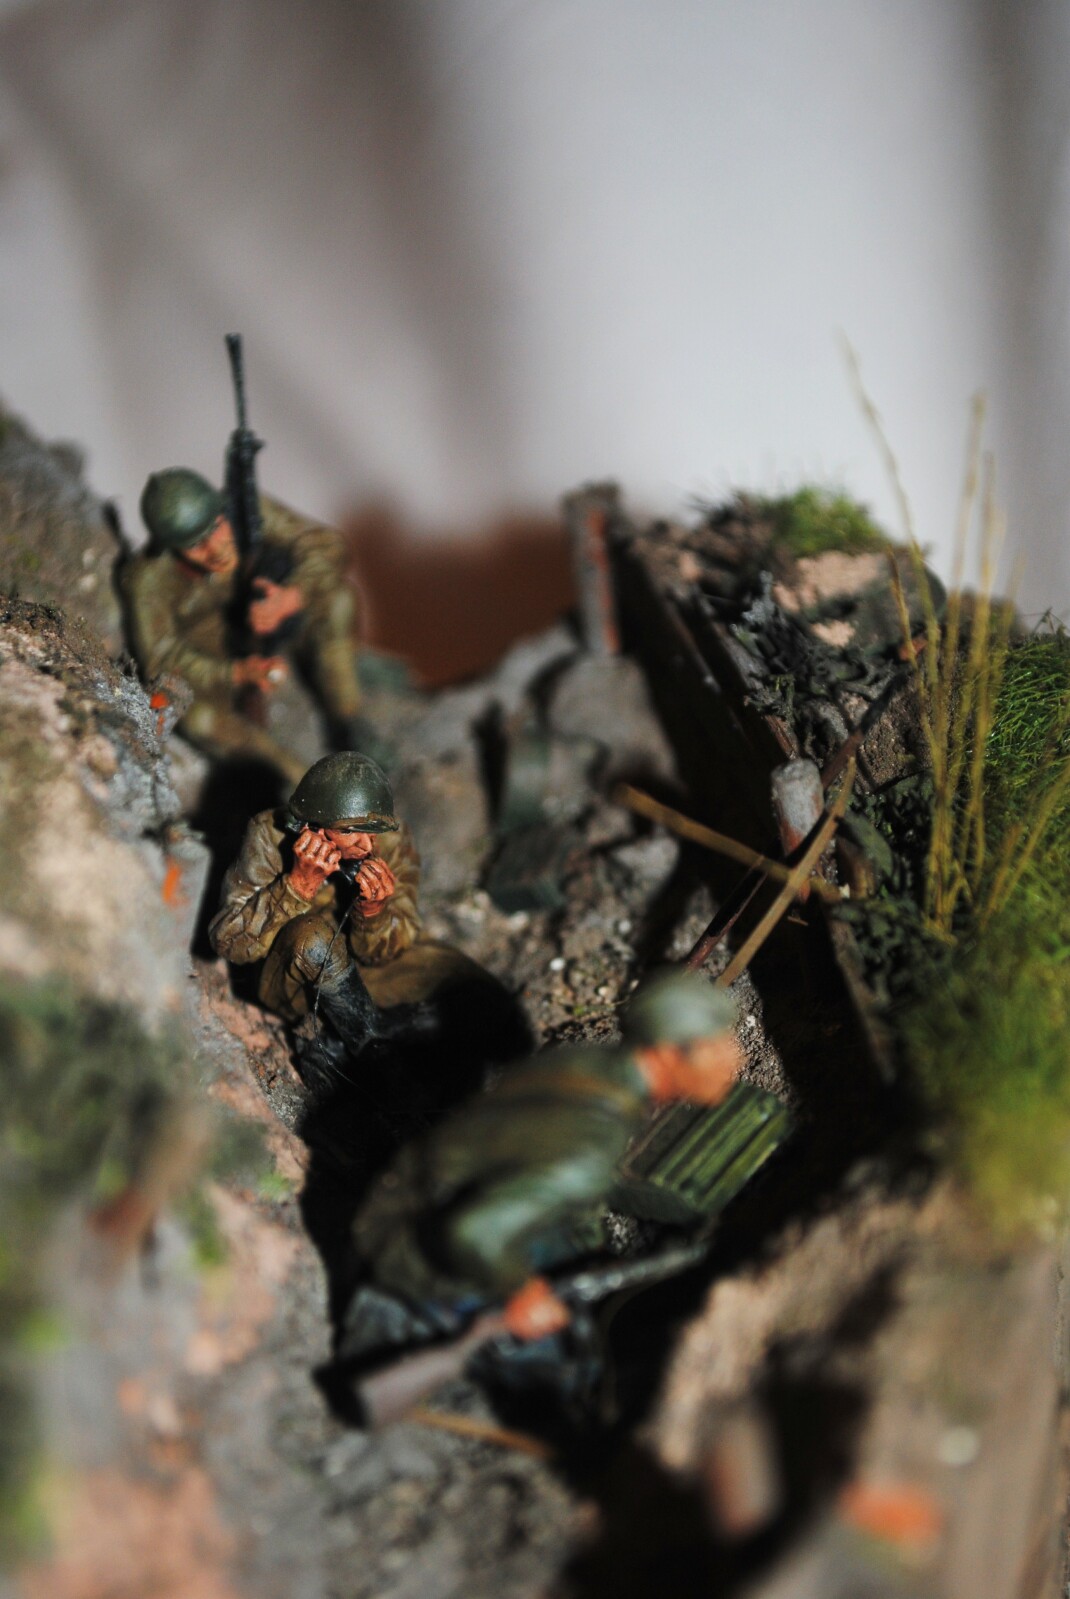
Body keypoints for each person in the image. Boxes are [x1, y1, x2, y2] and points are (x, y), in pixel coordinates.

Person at [345, 969, 741, 1347]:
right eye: (716, 1045)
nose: (733, 1058)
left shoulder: (593, 1066)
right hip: (413, 1247)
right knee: (569, 1353)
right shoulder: (589, 1150)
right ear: (668, 1053)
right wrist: (522, 1291)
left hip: (415, 1190)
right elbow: (473, 1234)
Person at [208, 749, 524, 1089]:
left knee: (481, 997)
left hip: (366, 965)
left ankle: (355, 1038)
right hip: (299, 976)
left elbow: (393, 943)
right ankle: (373, 1053)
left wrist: (373, 913)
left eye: (373, 831)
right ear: (313, 828)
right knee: (313, 939)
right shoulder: (269, 836)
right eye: (351, 832)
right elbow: (229, 942)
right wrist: (295, 888)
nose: (366, 845)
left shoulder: (391, 840)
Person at [120, 466, 367, 785]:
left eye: (217, 527)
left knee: (339, 599)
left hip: (274, 623)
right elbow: (163, 658)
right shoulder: (149, 580)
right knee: (200, 720)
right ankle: (291, 778)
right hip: (214, 657)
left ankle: (348, 721)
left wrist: (293, 596)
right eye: (196, 545)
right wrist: (235, 673)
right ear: (171, 548)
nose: (216, 549)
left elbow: (327, 544)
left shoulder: (249, 510)